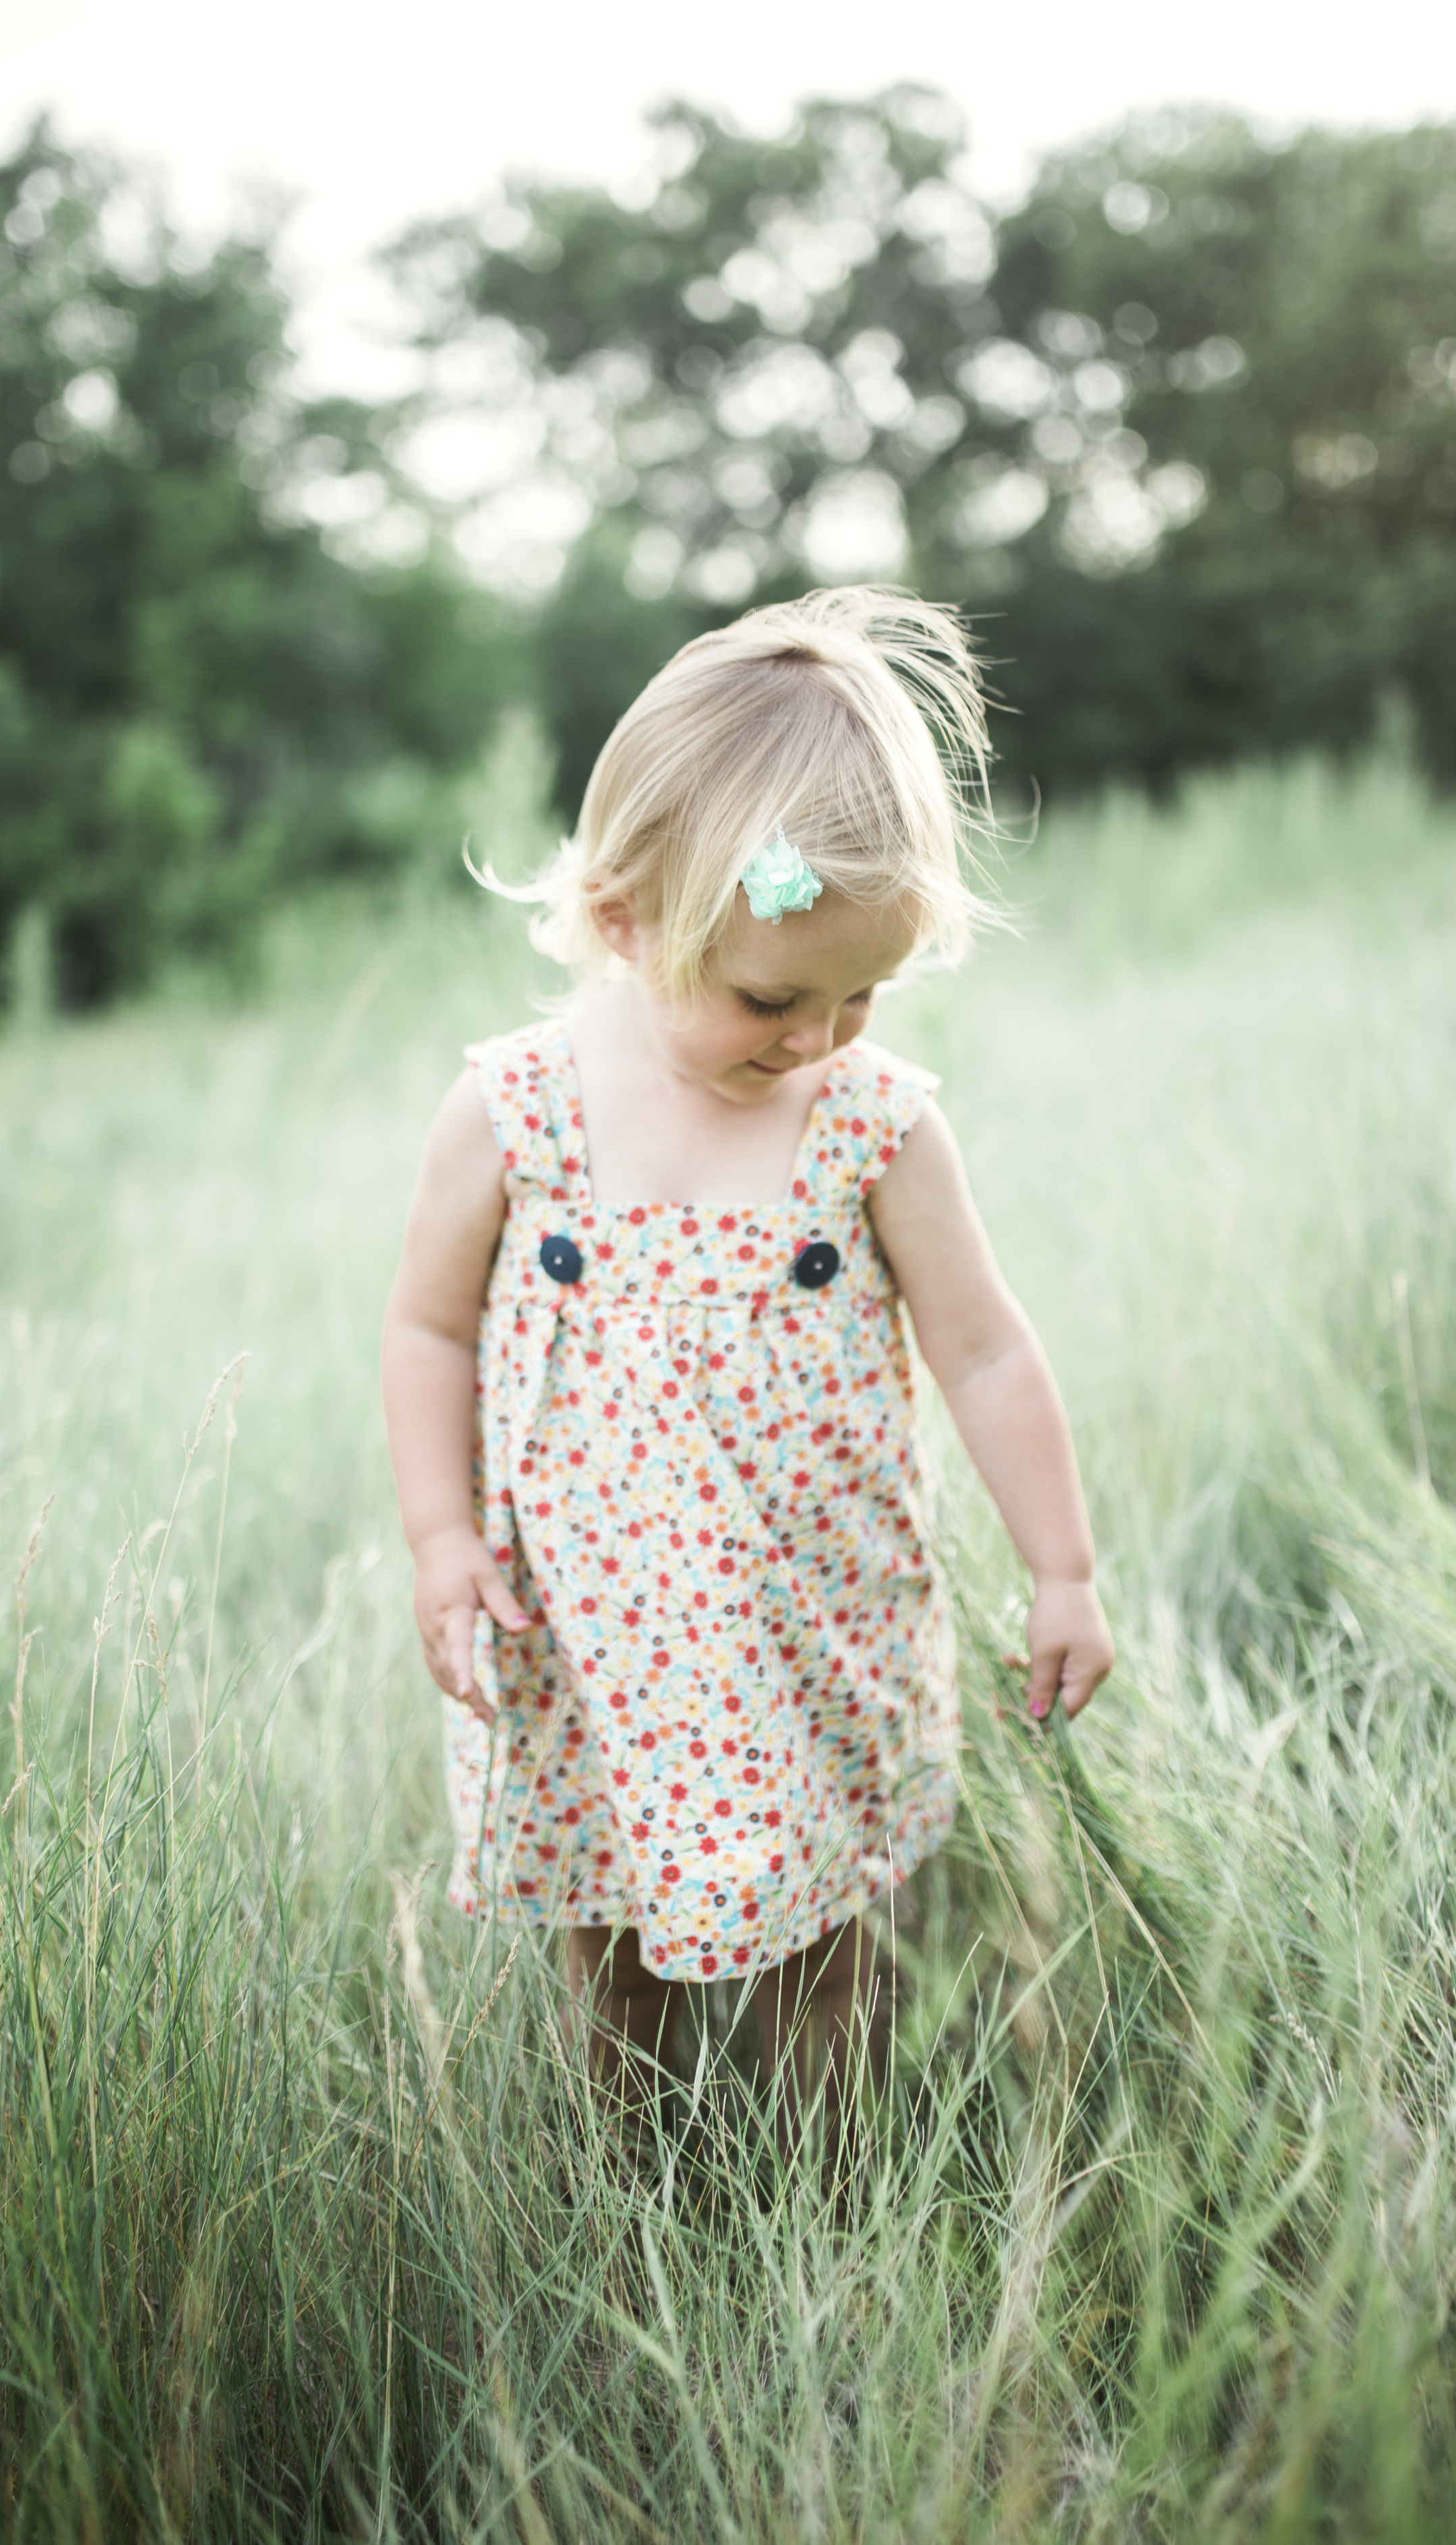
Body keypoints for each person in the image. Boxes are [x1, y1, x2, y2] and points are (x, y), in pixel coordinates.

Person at [382, 587, 1113, 2141]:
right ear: (624, 911)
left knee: (832, 1953)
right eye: (774, 998)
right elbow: (429, 1327)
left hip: (812, 1615)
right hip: (590, 1632)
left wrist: (1061, 1566)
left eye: (863, 993)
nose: (819, 1036)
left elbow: (980, 1349)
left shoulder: (874, 1120)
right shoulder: (515, 1113)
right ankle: (639, 2179)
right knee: (614, 1950)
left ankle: (839, 2196)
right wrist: (442, 1542)